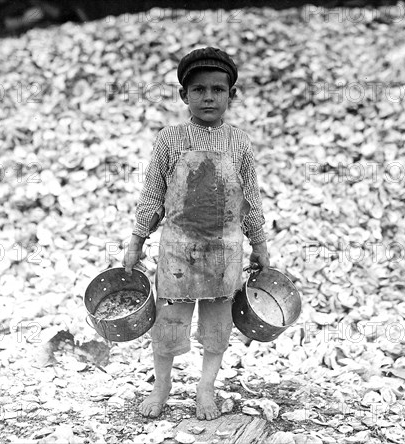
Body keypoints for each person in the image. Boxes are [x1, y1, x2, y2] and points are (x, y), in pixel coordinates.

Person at [123, 47, 269, 421]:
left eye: (218, 90)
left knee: (218, 324)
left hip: (225, 249)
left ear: (231, 95)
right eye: (199, 89)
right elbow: (153, 194)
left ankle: (206, 387)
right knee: (168, 322)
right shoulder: (170, 139)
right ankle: (163, 385)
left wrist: (261, 245)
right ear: (183, 95)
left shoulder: (240, 143)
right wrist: (136, 241)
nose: (209, 97)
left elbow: (250, 198)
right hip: (178, 249)